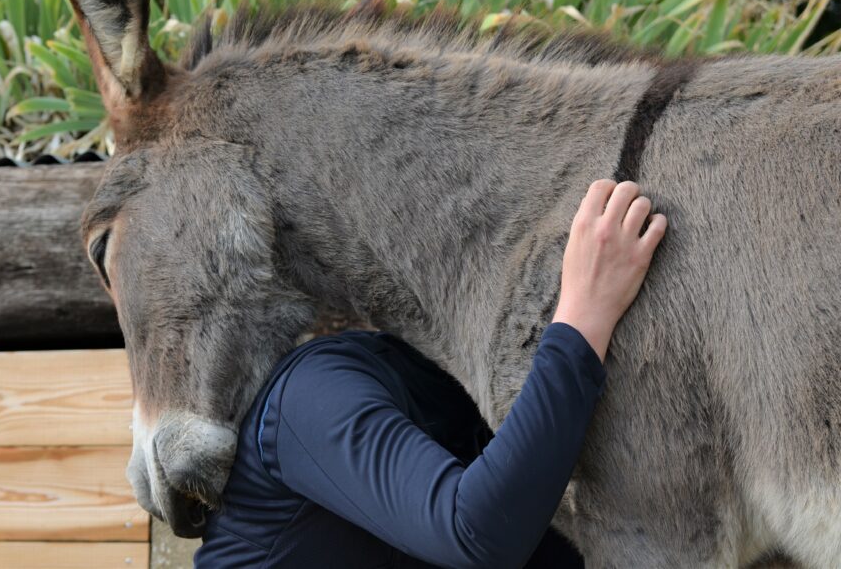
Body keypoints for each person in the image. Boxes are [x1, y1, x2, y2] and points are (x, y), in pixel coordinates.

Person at [196, 179, 667, 568]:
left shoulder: (303, 403)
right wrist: (582, 321)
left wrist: (583, 320)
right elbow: (480, 534)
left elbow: (485, 530)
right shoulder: (304, 407)